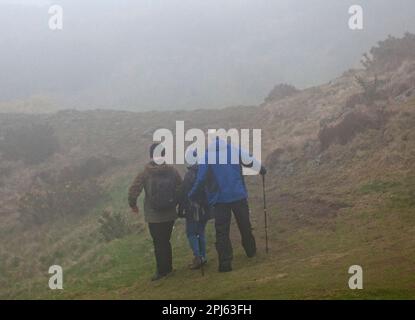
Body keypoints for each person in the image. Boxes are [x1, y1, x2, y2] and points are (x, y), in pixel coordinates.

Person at [188, 138, 266, 273]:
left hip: (219, 200)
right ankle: (251, 251)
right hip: (238, 195)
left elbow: (200, 179)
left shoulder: (207, 156)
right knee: (244, 224)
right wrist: (261, 169)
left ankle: (225, 263)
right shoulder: (234, 150)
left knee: (222, 231)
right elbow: (249, 160)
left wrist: (192, 194)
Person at [128, 143, 182, 281]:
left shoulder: (145, 173)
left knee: (158, 242)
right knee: (166, 240)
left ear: (151, 155)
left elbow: (134, 190)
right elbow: (181, 188)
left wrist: (133, 205)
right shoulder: (173, 171)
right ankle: (168, 268)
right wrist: (177, 203)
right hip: (170, 213)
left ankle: (161, 271)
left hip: (154, 215)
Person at [178, 162, 211, 270]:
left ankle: (198, 257)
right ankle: (203, 257)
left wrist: (181, 210)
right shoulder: (206, 172)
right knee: (201, 232)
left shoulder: (189, 175)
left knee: (191, 233)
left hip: (192, 209)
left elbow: (183, 194)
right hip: (205, 208)